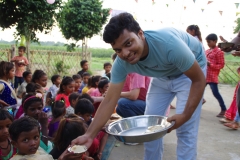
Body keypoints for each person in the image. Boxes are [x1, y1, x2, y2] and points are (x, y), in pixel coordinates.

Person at [72, 13, 207, 160]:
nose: (125, 53)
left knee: (185, 130)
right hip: (162, 76)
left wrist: (186, 115)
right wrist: (89, 135)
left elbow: (199, 80)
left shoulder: (168, 44)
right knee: (149, 129)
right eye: (118, 50)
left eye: (128, 43)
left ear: (141, 34)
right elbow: (110, 100)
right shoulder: (121, 63)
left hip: (189, 73)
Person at [205, 33, 226, 117]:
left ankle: (223, 108)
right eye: (207, 42)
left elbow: (221, 65)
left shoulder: (219, 52)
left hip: (212, 76)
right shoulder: (207, 51)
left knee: (215, 93)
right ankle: (196, 105)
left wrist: (210, 65)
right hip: (205, 75)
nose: (208, 43)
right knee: (197, 90)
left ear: (215, 41)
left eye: (209, 42)